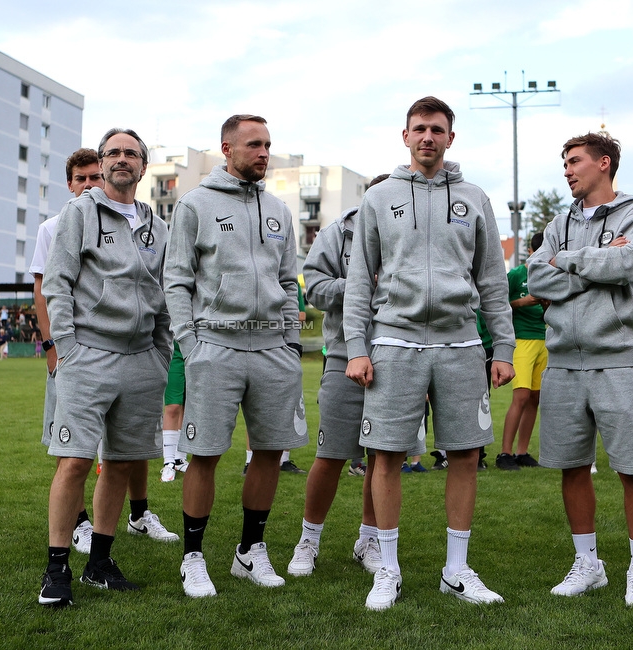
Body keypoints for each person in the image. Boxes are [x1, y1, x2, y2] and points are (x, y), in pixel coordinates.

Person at [342, 97, 515, 610]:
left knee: (465, 455)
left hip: (462, 344)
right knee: (387, 456)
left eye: (437, 130)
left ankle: (456, 570)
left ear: (450, 138)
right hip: (394, 341)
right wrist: (357, 346)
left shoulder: (474, 197)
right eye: (419, 129)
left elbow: (492, 280)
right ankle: (387, 570)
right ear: (405, 135)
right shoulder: (379, 198)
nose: (427, 138)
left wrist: (501, 346)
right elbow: (358, 281)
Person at [164, 114, 306, 598]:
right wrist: (191, 344)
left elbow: (290, 282)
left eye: (268, 144)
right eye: (254, 145)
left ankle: (250, 551)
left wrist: (290, 341)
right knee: (204, 454)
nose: (264, 153)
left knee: (268, 452)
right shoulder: (194, 204)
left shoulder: (279, 210)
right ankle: (193, 557)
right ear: (227, 148)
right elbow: (177, 279)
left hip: (273, 349)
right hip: (215, 346)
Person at [38, 129, 175, 607]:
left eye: (131, 154)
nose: (122, 160)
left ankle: (99, 561)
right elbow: (56, 282)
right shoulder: (78, 212)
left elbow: (165, 295)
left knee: (119, 465)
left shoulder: (158, 227)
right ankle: (56, 570)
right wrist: (69, 348)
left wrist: (161, 353)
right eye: (113, 152)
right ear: (102, 161)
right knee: (75, 461)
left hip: (142, 360)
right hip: (88, 355)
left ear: (143, 165)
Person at [528, 132, 633, 608]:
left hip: (620, 362)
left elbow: (630, 262)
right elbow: (535, 275)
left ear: (604, 163)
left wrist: (568, 264)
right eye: (564, 162)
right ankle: (589, 565)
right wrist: (591, 267)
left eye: (575, 161)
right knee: (571, 467)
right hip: (563, 364)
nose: (567, 170)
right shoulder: (556, 223)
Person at [286, 174, 390, 579]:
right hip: (344, 358)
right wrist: (365, 285)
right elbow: (314, 290)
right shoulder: (337, 233)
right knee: (330, 456)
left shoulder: (419, 228)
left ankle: (369, 540)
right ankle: (308, 540)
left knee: (384, 457)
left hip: (400, 360)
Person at [497, 233, 548, 471]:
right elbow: (497, 305)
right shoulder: (516, 275)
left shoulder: (549, 275)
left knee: (535, 398)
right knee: (521, 396)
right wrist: (522, 302)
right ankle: (504, 453)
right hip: (521, 340)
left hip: (542, 339)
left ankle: (522, 452)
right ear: (530, 252)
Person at [160, 342, 190, 482]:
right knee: (172, 407)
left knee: (187, 406)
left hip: (194, 349)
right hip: (174, 349)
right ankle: (168, 462)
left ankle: (180, 459)